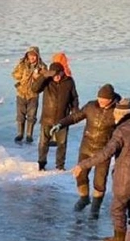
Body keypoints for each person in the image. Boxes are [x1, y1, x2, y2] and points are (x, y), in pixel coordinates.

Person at [71, 98, 130, 241]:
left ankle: (120, 238)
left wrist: (83, 165)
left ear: (120, 113)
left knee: (118, 208)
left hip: (125, 176)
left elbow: (105, 154)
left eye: (115, 114)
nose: (114, 116)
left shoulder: (121, 131)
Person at [51, 84, 120, 218]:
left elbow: (123, 131)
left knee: (99, 181)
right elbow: (75, 116)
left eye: (103, 100)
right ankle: (84, 198)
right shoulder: (90, 106)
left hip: (103, 152)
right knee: (80, 175)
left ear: (110, 100)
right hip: (86, 148)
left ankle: (95, 208)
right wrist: (60, 124)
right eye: (99, 99)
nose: (100, 102)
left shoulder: (116, 111)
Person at [32, 61, 78, 170]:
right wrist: (44, 76)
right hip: (47, 118)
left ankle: (60, 166)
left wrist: (75, 109)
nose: (56, 77)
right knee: (43, 143)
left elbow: (74, 97)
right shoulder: (46, 81)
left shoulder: (69, 82)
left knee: (62, 144)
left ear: (62, 73)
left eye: (58, 74)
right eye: (54, 75)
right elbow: (35, 89)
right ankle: (41, 164)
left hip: (63, 118)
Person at [11, 46, 46, 144]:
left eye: (34, 55)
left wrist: (37, 76)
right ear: (27, 56)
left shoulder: (42, 66)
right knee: (20, 115)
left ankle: (29, 134)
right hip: (21, 93)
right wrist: (22, 75)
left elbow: (44, 80)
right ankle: (20, 134)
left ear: (37, 56)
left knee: (31, 115)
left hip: (33, 94)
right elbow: (14, 74)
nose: (32, 57)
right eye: (30, 55)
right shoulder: (22, 64)